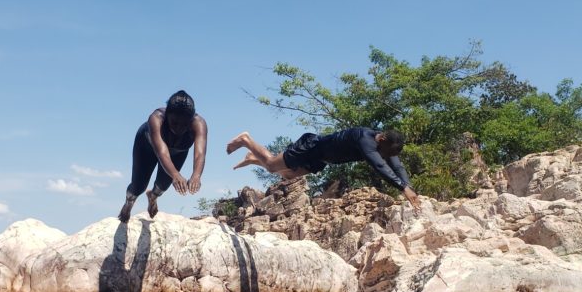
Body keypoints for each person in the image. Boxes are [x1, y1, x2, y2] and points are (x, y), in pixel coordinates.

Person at [226, 127, 421, 211]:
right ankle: (246, 140)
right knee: (270, 166)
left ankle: (253, 158)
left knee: (286, 174)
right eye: (387, 152)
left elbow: (397, 165)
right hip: (311, 147)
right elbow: (379, 165)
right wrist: (402, 188)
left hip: (321, 159)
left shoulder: (384, 144)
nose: (387, 156)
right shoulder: (365, 140)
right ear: (383, 140)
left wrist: (409, 187)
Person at [118, 90, 208, 222]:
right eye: (174, 123)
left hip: (178, 152)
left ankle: (153, 197)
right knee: (139, 185)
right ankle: (129, 202)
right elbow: (162, 152)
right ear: (167, 115)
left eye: (184, 124)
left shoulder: (199, 124)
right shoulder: (156, 118)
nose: (179, 128)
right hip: (146, 147)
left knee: (163, 185)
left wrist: (196, 175)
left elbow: (200, 153)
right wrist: (176, 175)